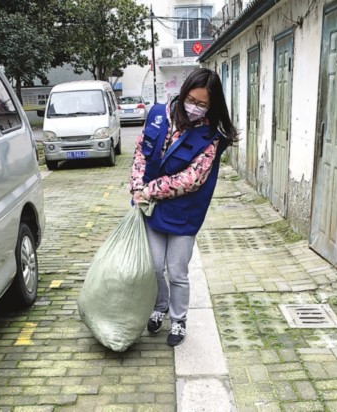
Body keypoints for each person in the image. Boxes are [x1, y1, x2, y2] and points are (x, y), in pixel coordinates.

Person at [129, 68, 238, 346]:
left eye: (202, 104)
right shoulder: (157, 116)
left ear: (211, 107)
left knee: (177, 271)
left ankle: (178, 321)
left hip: (184, 214)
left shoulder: (210, 137)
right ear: (183, 92)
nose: (194, 108)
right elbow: (141, 154)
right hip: (151, 210)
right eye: (191, 99)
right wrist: (135, 187)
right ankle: (160, 306)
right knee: (153, 266)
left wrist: (149, 190)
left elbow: (192, 179)